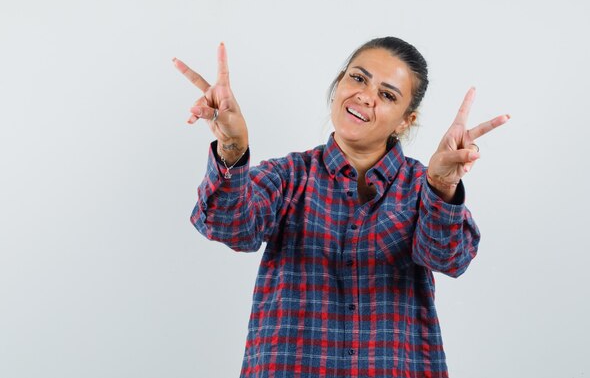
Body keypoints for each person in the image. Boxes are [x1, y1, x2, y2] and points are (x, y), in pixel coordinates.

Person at [173, 37, 509, 378]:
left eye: (387, 94)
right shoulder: (290, 176)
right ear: (339, 83)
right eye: (358, 78)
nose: (365, 96)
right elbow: (226, 225)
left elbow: (450, 258)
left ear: (406, 120)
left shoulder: (423, 187)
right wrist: (232, 146)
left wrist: (443, 186)